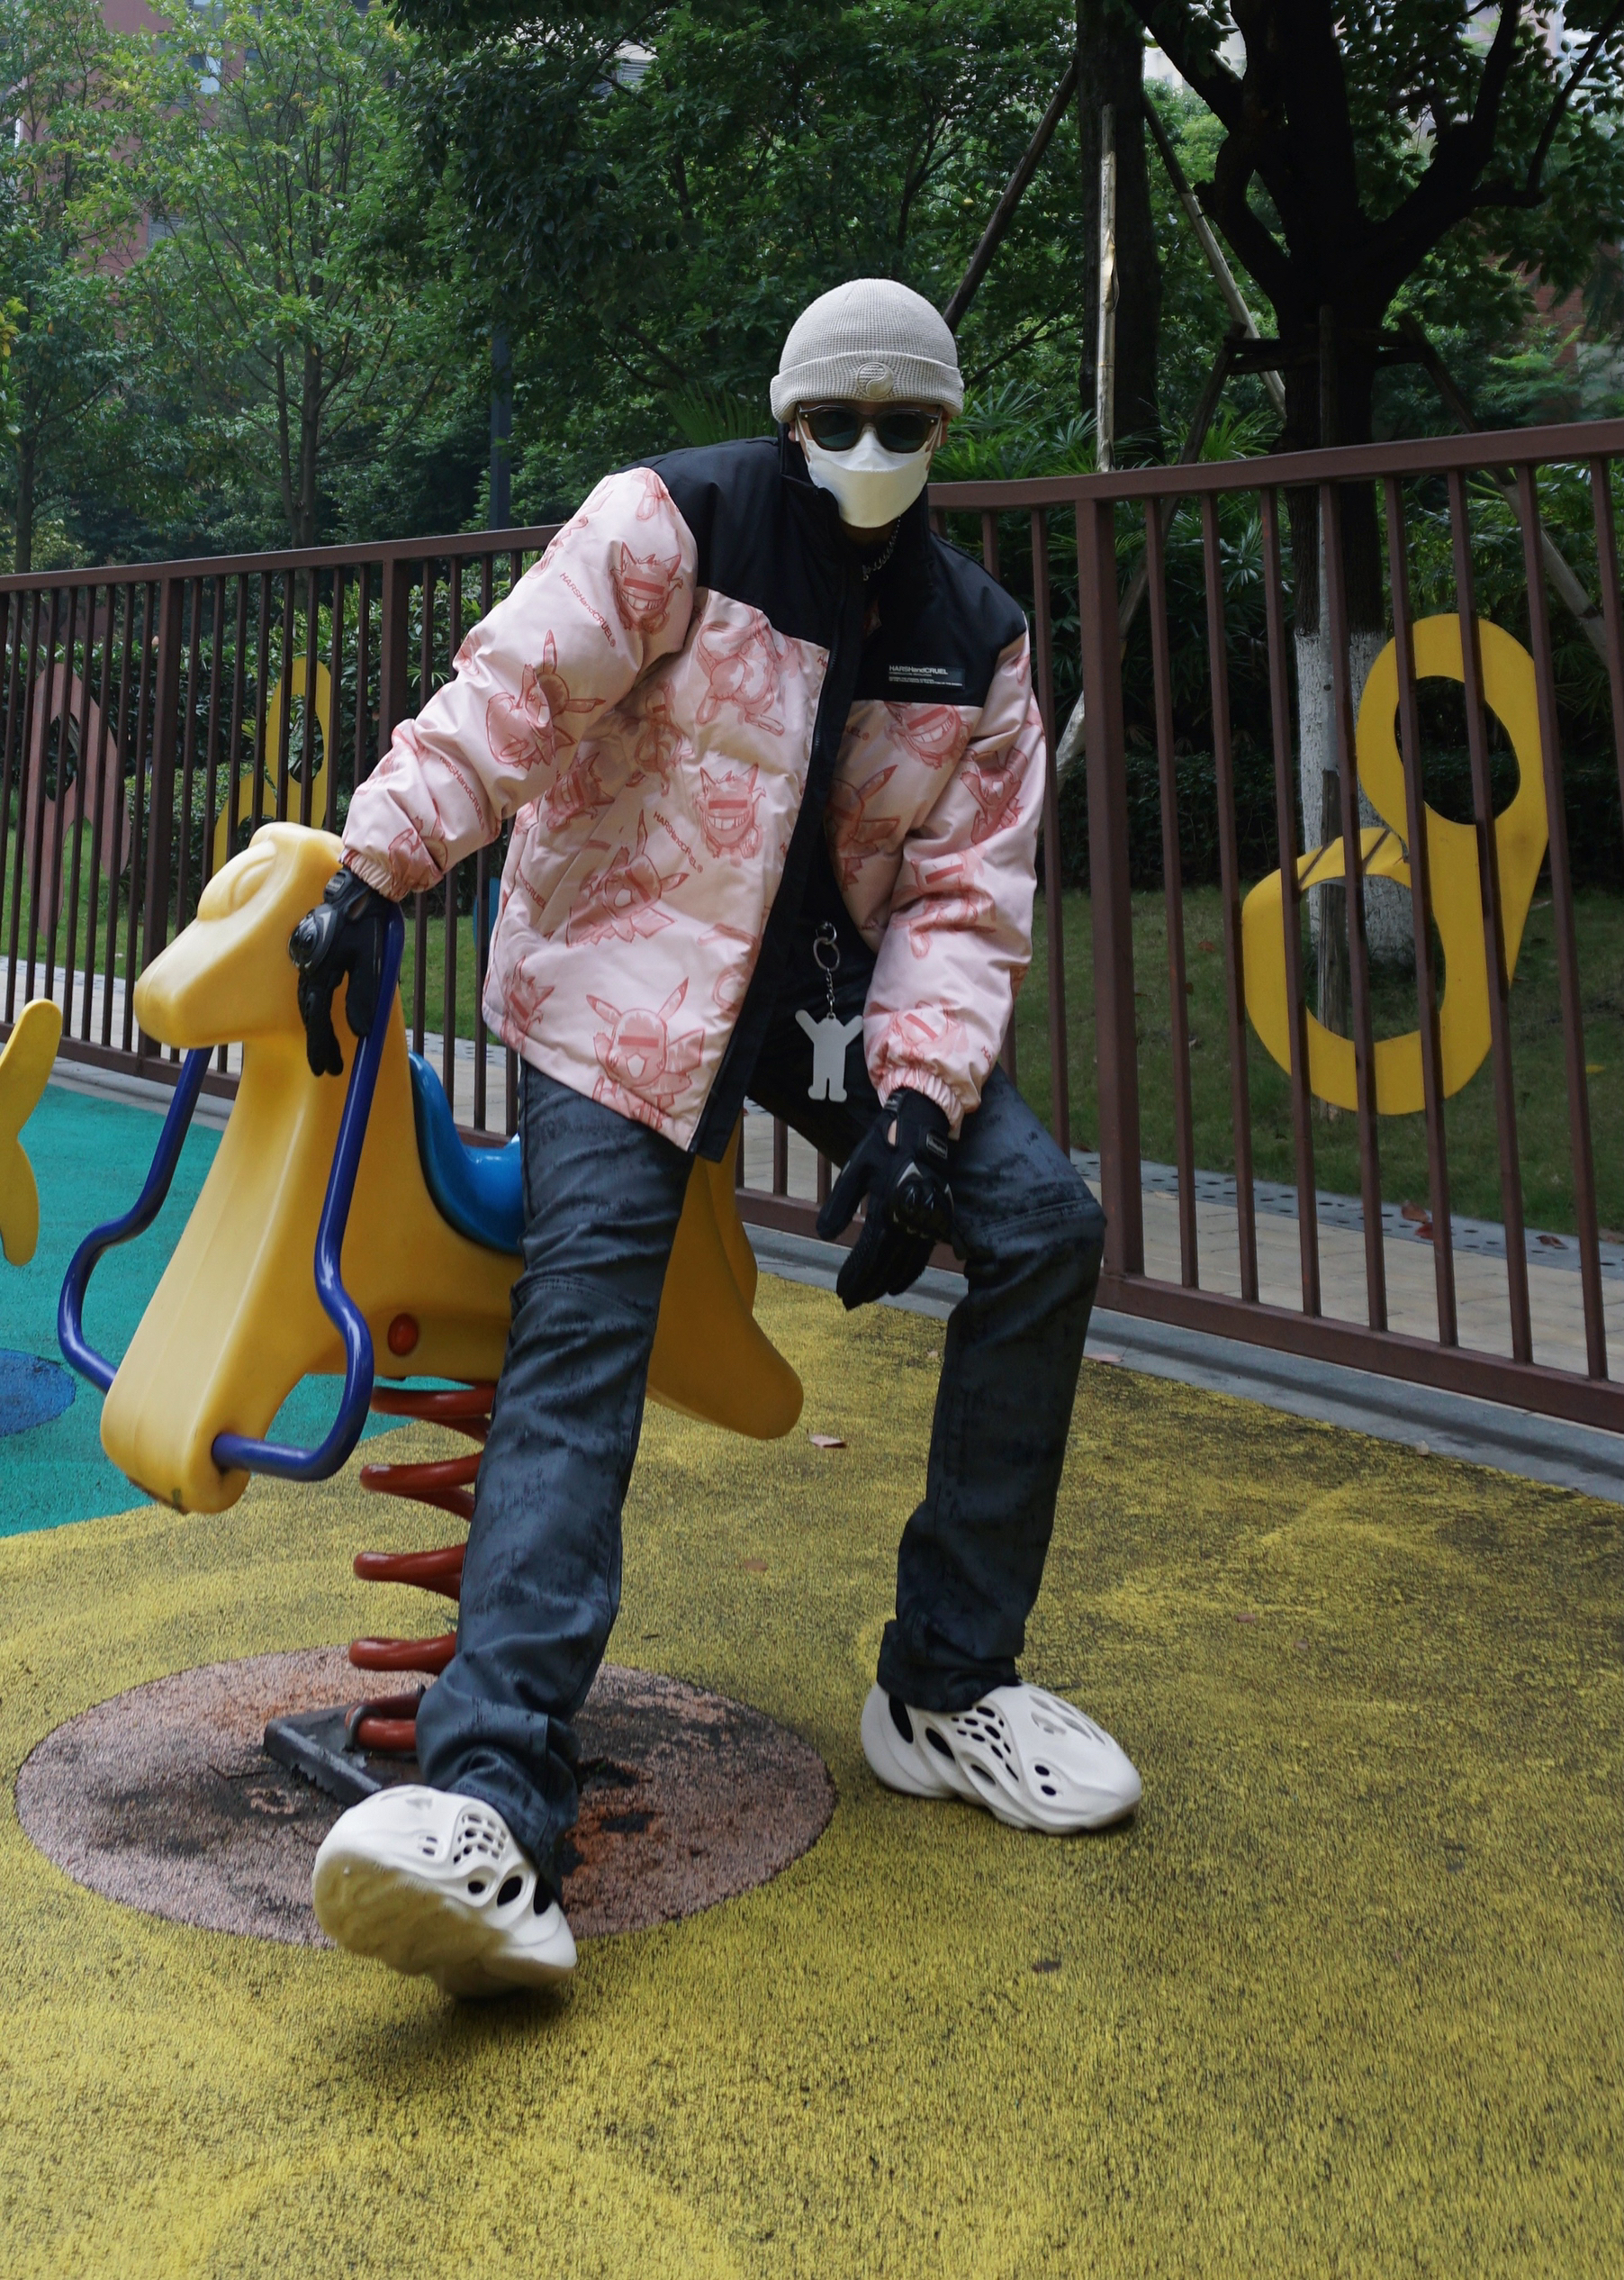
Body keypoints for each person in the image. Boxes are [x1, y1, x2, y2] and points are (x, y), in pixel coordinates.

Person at [299, 279, 1141, 2000]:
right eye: (839, 420)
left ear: (944, 433)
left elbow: (963, 903)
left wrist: (916, 1110)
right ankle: (493, 1807)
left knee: (1045, 1226)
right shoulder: (671, 525)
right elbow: (512, 695)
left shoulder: (976, 639)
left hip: (828, 1001)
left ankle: (945, 1683)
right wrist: (376, 864)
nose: (870, 448)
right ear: (788, 417)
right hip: (632, 964)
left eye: (905, 425)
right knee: (587, 1307)